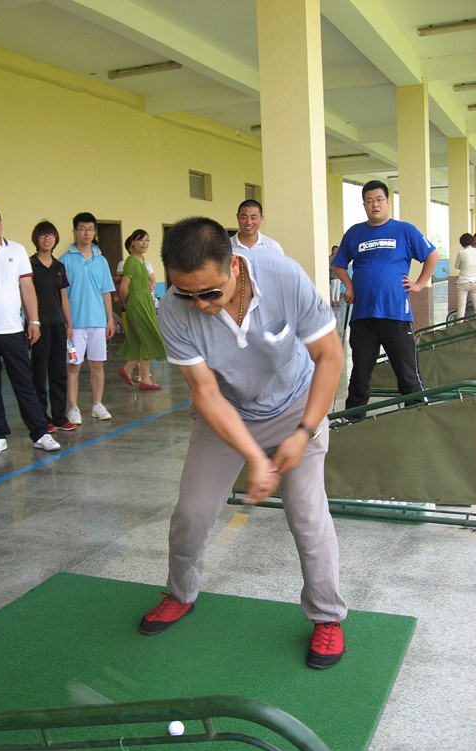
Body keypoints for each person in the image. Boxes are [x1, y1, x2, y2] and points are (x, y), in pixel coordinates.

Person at [139, 216, 347, 671]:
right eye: (186, 294)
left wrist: (304, 431)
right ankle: (180, 593)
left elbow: (330, 354)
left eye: (211, 293)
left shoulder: (283, 275)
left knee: (308, 518)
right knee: (191, 513)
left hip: (296, 407)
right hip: (227, 417)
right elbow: (206, 393)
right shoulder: (174, 308)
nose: (201, 306)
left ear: (235, 264)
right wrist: (256, 457)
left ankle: (327, 617)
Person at [0, 204, 61, 455]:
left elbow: (27, 289)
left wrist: (34, 321)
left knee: (24, 383)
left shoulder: (16, 250)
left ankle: (40, 432)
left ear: (1, 224)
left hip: (13, 330)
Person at [333, 180, 438, 416]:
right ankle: (352, 420)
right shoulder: (355, 232)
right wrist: (348, 286)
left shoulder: (405, 230)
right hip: (363, 316)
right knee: (360, 374)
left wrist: (420, 284)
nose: (374, 205)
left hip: (396, 314)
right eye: (369, 201)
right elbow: (338, 264)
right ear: (364, 205)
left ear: (387, 202)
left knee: (408, 374)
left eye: (379, 200)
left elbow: (432, 254)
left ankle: (420, 415)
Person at [60, 212, 115, 424]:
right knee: (73, 366)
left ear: (94, 232)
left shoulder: (101, 260)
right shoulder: (65, 260)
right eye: (82, 229)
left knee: (97, 364)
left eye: (90, 229)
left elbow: (106, 292)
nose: (86, 233)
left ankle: (97, 404)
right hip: (74, 324)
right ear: (75, 231)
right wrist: (67, 322)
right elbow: (62, 295)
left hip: (98, 322)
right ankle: (73, 407)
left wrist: (109, 319)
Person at [29, 220, 76, 432]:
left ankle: (59, 416)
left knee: (59, 373)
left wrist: (69, 323)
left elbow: (63, 297)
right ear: (36, 239)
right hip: (38, 326)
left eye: (51, 235)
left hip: (58, 325)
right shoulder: (29, 265)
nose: (47, 239)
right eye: (43, 235)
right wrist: (31, 322)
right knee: (39, 374)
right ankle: (41, 418)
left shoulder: (59, 266)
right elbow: (25, 295)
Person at [117, 229, 166, 389]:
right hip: (137, 303)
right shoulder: (131, 261)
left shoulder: (143, 261)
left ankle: (138, 374)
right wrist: (127, 303)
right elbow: (124, 288)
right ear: (132, 243)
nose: (145, 243)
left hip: (146, 301)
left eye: (147, 240)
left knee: (143, 340)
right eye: (141, 240)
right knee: (149, 337)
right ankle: (139, 375)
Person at [453, 233, 476, 319]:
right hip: (475, 282)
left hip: (463, 283)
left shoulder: (461, 253)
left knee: (461, 307)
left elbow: (456, 266)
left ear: (461, 243)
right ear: (472, 241)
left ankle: (459, 326)